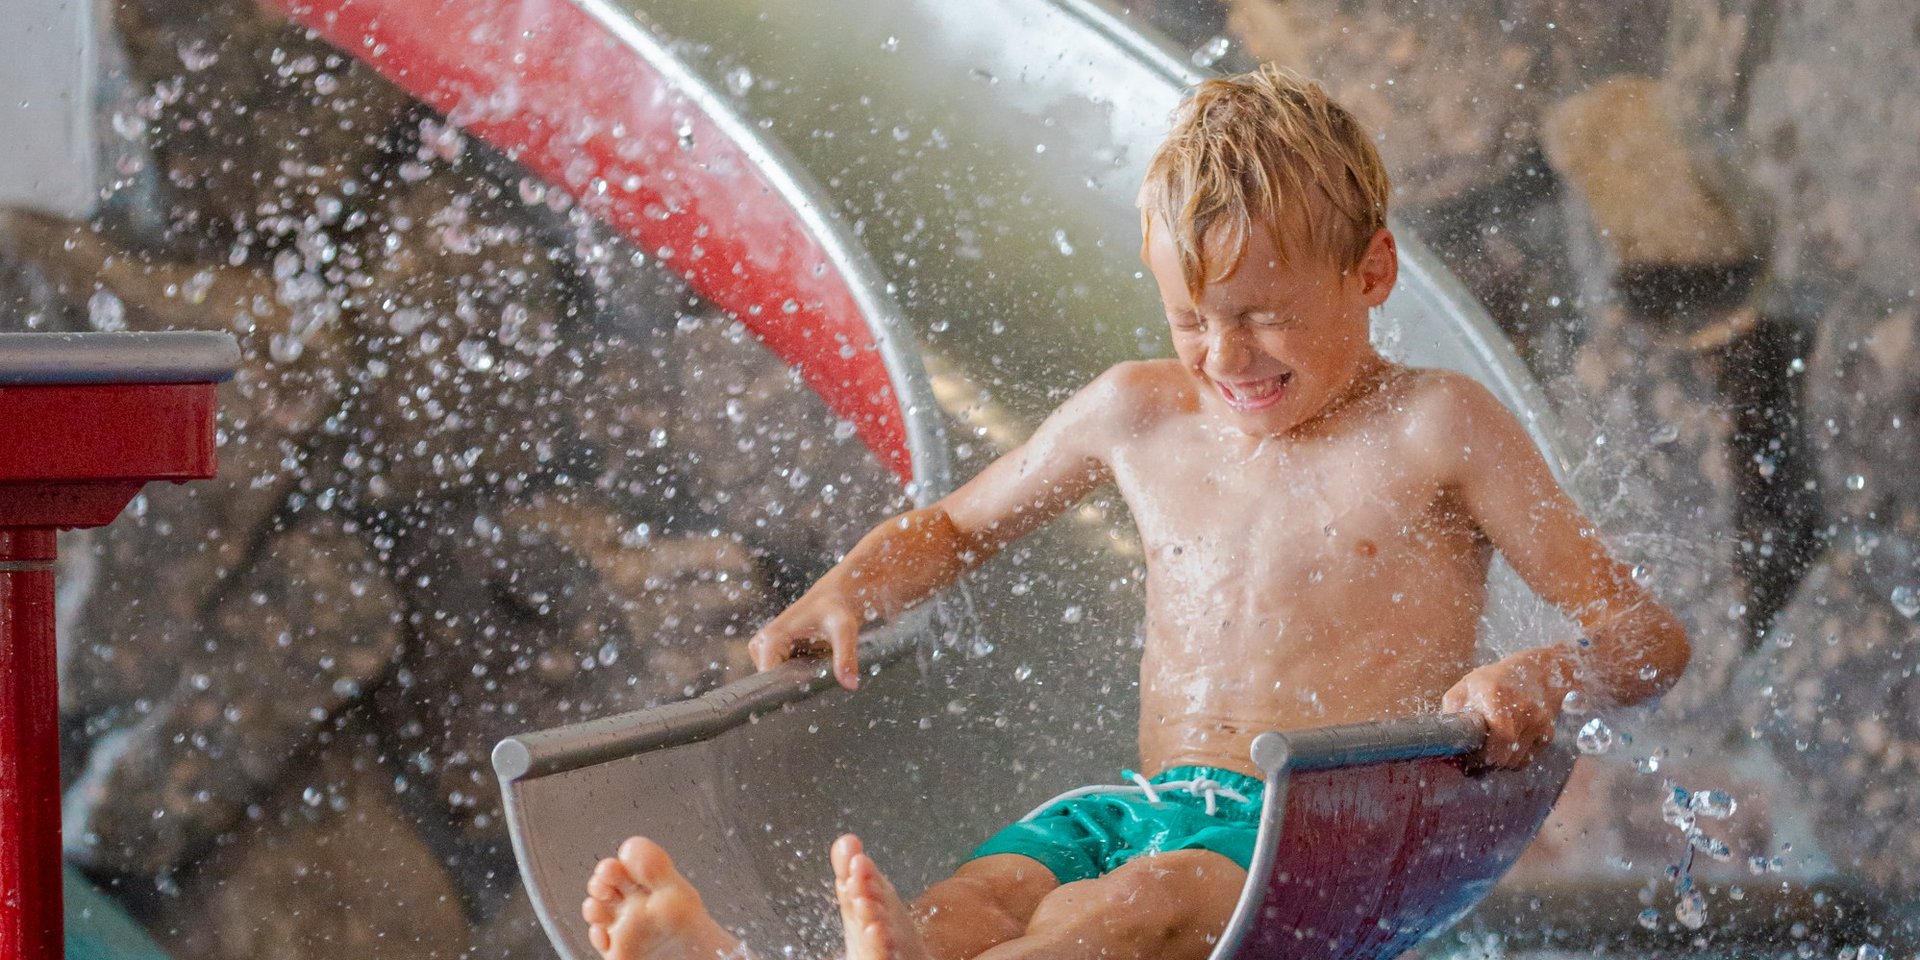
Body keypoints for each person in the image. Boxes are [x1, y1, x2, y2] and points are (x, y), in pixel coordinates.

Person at [579, 64, 1690, 960]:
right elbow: (961, 527)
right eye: (1192, 321)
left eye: (1264, 316)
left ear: (1372, 272)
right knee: (980, 900)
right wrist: (855, 582)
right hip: (1141, 803)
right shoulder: (1135, 412)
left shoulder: (1438, 429)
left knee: (1122, 915)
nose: (1226, 357)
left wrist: (1539, 677)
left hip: (1302, 847)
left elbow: (1646, 639)